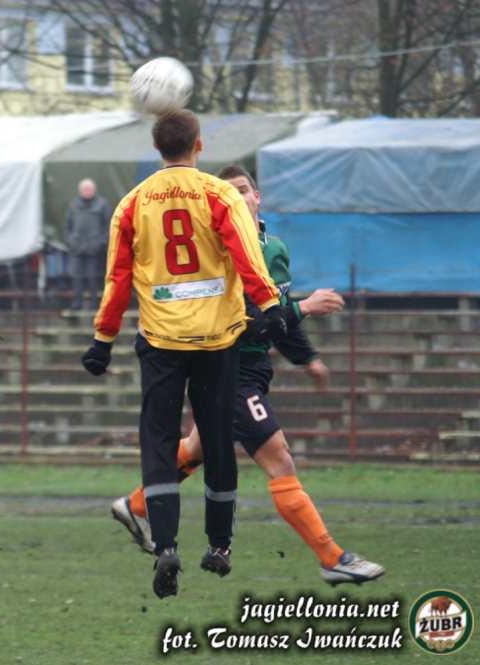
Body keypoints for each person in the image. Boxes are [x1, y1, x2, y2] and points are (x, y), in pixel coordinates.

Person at [111, 165, 385, 586]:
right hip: (229, 368)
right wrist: (305, 308)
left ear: (258, 197)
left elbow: (275, 311)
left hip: (254, 368)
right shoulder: (220, 246)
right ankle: (332, 558)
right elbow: (249, 320)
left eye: (243, 189)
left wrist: (306, 357)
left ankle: (136, 507)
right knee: (279, 458)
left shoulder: (273, 247)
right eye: (230, 192)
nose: (237, 197)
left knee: (198, 448)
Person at [81, 110, 286, 598]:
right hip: (217, 340)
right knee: (216, 441)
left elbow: (118, 279)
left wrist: (103, 339)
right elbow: (246, 256)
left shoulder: (132, 203)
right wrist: (270, 304)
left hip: (161, 342)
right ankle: (219, 545)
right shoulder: (219, 195)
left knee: (158, 442)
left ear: (157, 148)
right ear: (199, 145)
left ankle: (166, 545)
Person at [66, 178, 110, 310]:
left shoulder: (102, 204)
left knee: (93, 277)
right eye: (84, 189)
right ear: (80, 190)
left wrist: (101, 242)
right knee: (76, 277)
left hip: (95, 249)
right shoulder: (73, 205)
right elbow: (68, 226)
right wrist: (71, 241)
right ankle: (77, 303)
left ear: (94, 190)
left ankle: (94, 303)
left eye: (89, 189)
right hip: (77, 248)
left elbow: (108, 226)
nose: (87, 191)